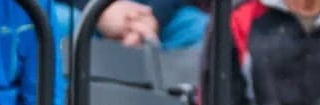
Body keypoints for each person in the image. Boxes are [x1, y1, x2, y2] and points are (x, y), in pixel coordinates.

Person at [56, 0, 208, 50]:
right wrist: (99, 10)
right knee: (57, 23)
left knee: (204, 31)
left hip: (155, 15)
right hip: (77, 11)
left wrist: (150, 17)